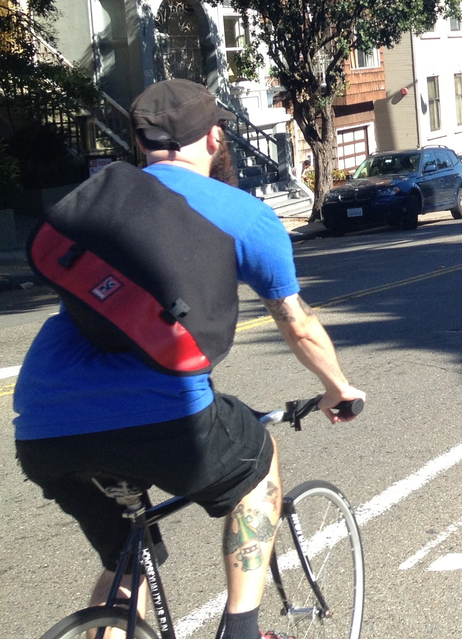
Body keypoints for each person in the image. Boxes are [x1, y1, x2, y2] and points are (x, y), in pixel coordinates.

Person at [13, 80, 365, 639]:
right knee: (257, 462)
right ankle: (242, 629)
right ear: (216, 138)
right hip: (164, 412)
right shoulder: (244, 215)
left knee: (127, 560)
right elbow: (296, 321)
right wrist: (337, 387)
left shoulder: (98, 203)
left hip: (43, 424)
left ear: (139, 142)